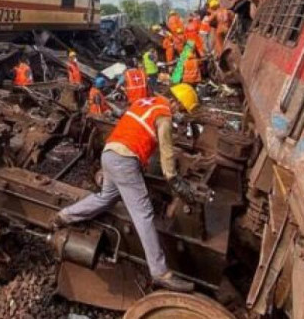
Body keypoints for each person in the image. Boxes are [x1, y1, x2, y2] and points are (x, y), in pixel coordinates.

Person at [54, 84, 202, 292]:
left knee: (106, 197)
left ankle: (64, 215)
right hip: (125, 160)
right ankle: (160, 273)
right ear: (176, 103)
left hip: (110, 154)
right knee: (144, 214)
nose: (180, 116)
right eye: (183, 111)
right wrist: (175, 181)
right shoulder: (164, 115)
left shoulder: (144, 102)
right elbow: (167, 154)